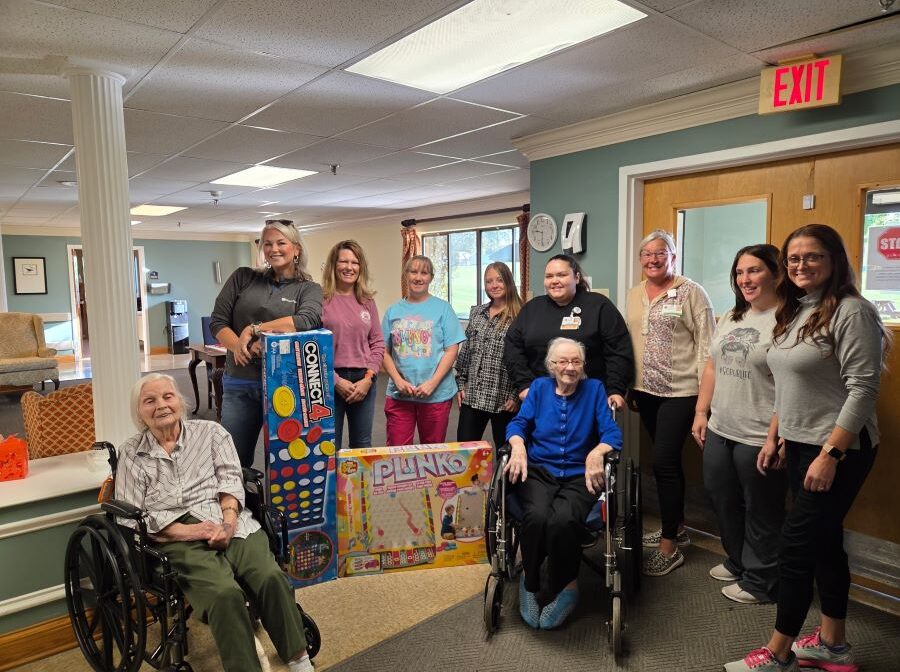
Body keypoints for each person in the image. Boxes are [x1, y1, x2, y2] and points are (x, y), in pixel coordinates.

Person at [726, 224, 890, 672]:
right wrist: (776, 433)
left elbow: (863, 388)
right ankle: (833, 645)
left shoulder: (851, 311)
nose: (801, 265)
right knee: (824, 544)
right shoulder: (796, 310)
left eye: (812, 256)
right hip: (799, 444)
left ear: (835, 260)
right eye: (793, 258)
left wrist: (830, 455)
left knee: (795, 549)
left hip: (839, 450)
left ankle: (778, 655)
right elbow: (787, 382)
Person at [115, 374, 315, 672]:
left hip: (229, 518)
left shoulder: (211, 433)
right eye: (150, 401)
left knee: (270, 577)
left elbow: (232, 479)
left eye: (168, 397)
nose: (161, 405)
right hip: (175, 534)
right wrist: (191, 531)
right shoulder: (133, 452)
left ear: (180, 401)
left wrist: (229, 522)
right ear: (139, 412)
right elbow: (130, 514)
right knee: (224, 593)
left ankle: (299, 659)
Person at [505, 338, 623, 630]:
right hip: (539, 470)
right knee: (536, 516)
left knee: (564, 520)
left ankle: (567, 586)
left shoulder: (594, 389)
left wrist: (596, 453)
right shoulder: (540, 389)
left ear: (583, 366)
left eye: (576, 362)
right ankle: (530, 582)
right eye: (563, 362)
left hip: (578, 474)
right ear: (551, 365)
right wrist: (518, 446)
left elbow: (612, 432)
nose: (569, 368)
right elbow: (518, 424)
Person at [692, 244, 787, 605]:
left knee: (762, 508)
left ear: (776, 273)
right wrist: (702, 412)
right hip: (721, 427)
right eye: (740, 272)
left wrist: (776, 436)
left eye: (754, 270)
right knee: (721, 498)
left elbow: (791, 384)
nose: (745, 279)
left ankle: (762, 580)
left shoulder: (787, 319)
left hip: (759, 433)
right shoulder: (733, 315)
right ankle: (738, 560)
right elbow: (713, 366)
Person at [624, 229, 715, 577]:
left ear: (673, 257)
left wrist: (702, 406)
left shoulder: (692, 292)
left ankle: (669, 546)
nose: (652, 259)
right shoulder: (634, 294)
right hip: (645, 393)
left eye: (660, 253)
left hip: (681, 393)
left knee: (663, 462)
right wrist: (632, 387)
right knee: (666, 463)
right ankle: (675, 528)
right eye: (646, 254)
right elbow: (632, 342)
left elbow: (708, 350)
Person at [210, 219, 323, 468]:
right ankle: (237, 506)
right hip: (241, 383)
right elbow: (218, 322)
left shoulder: (309, 289)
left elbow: (306, 320)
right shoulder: (243, 277)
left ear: (296, 248)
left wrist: (255, 330)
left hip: (286, 387)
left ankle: (281, 508)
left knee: (288, 463)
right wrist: (242, 347)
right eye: (267, 244)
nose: (274, 249)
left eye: (281, 243)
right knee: (233, 461)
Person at [504, 254, 633, 411]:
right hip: (540, 400)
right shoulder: (532, 309)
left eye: (562, 275)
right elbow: (512, 347)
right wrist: (524, 384)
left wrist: (615, 389)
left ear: (576, 277)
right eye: (549, 276)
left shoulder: (599, 306)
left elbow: (619, 350)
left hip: (589, 400)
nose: (555, 280)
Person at [381, 255, 465, 445]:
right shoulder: (393, 311)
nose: (418, 277)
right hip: (400, 394)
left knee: (432, 452)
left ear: (431, 277)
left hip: (436, 394)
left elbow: (452, 350)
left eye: (424, 273)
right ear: (405, 275)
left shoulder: (443, 309)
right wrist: (398, 380)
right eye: (413, 271)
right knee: (397, 450)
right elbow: (383, 351)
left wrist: (432, 383)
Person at [321, 240, 385, 450]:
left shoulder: (367, 301)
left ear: (361, 267)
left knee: (362, 444)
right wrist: (335, 380)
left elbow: (377, 343)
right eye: (344, 261)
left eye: (355, 262)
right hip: (329, 380)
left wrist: (369, 379)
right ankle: (333, 485)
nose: (349, 267)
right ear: (333, 265)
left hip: (363, 381)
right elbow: (311, 347)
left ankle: (360, 485)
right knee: (330, 445)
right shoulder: (320, 300)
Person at [456, 262, 523, 449]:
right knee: (466, 452)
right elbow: (467, 351)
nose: (494, 285)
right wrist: (460, 383)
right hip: (474, 395)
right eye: (489, 281)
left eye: (499, 280)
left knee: (507, 453)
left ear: (508, 281)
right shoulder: (478, 312)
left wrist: (517, 396)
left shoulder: (521, 315)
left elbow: (527, 359)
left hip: (504, 398)